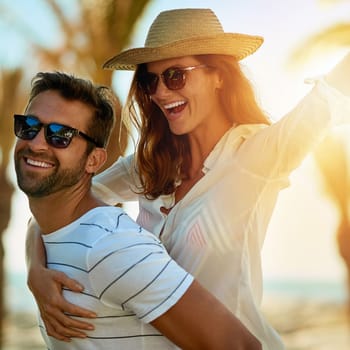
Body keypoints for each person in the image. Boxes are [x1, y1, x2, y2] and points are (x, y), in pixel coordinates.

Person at [25, 8, 350, 350]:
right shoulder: (150, 164)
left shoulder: (256, 155)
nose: (161, 93)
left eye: (176, 76)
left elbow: (326, 99)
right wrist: (36, 272)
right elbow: (60, 199)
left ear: (218, 75)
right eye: (151, 80)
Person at [16, 71, 261, 349]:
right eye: (29, 126)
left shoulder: (112, 247)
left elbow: (241, 345)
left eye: (60, 136)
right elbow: (36, 222)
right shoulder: (55, 229)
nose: (36, 143)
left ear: (93, 160)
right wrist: (33, 268)